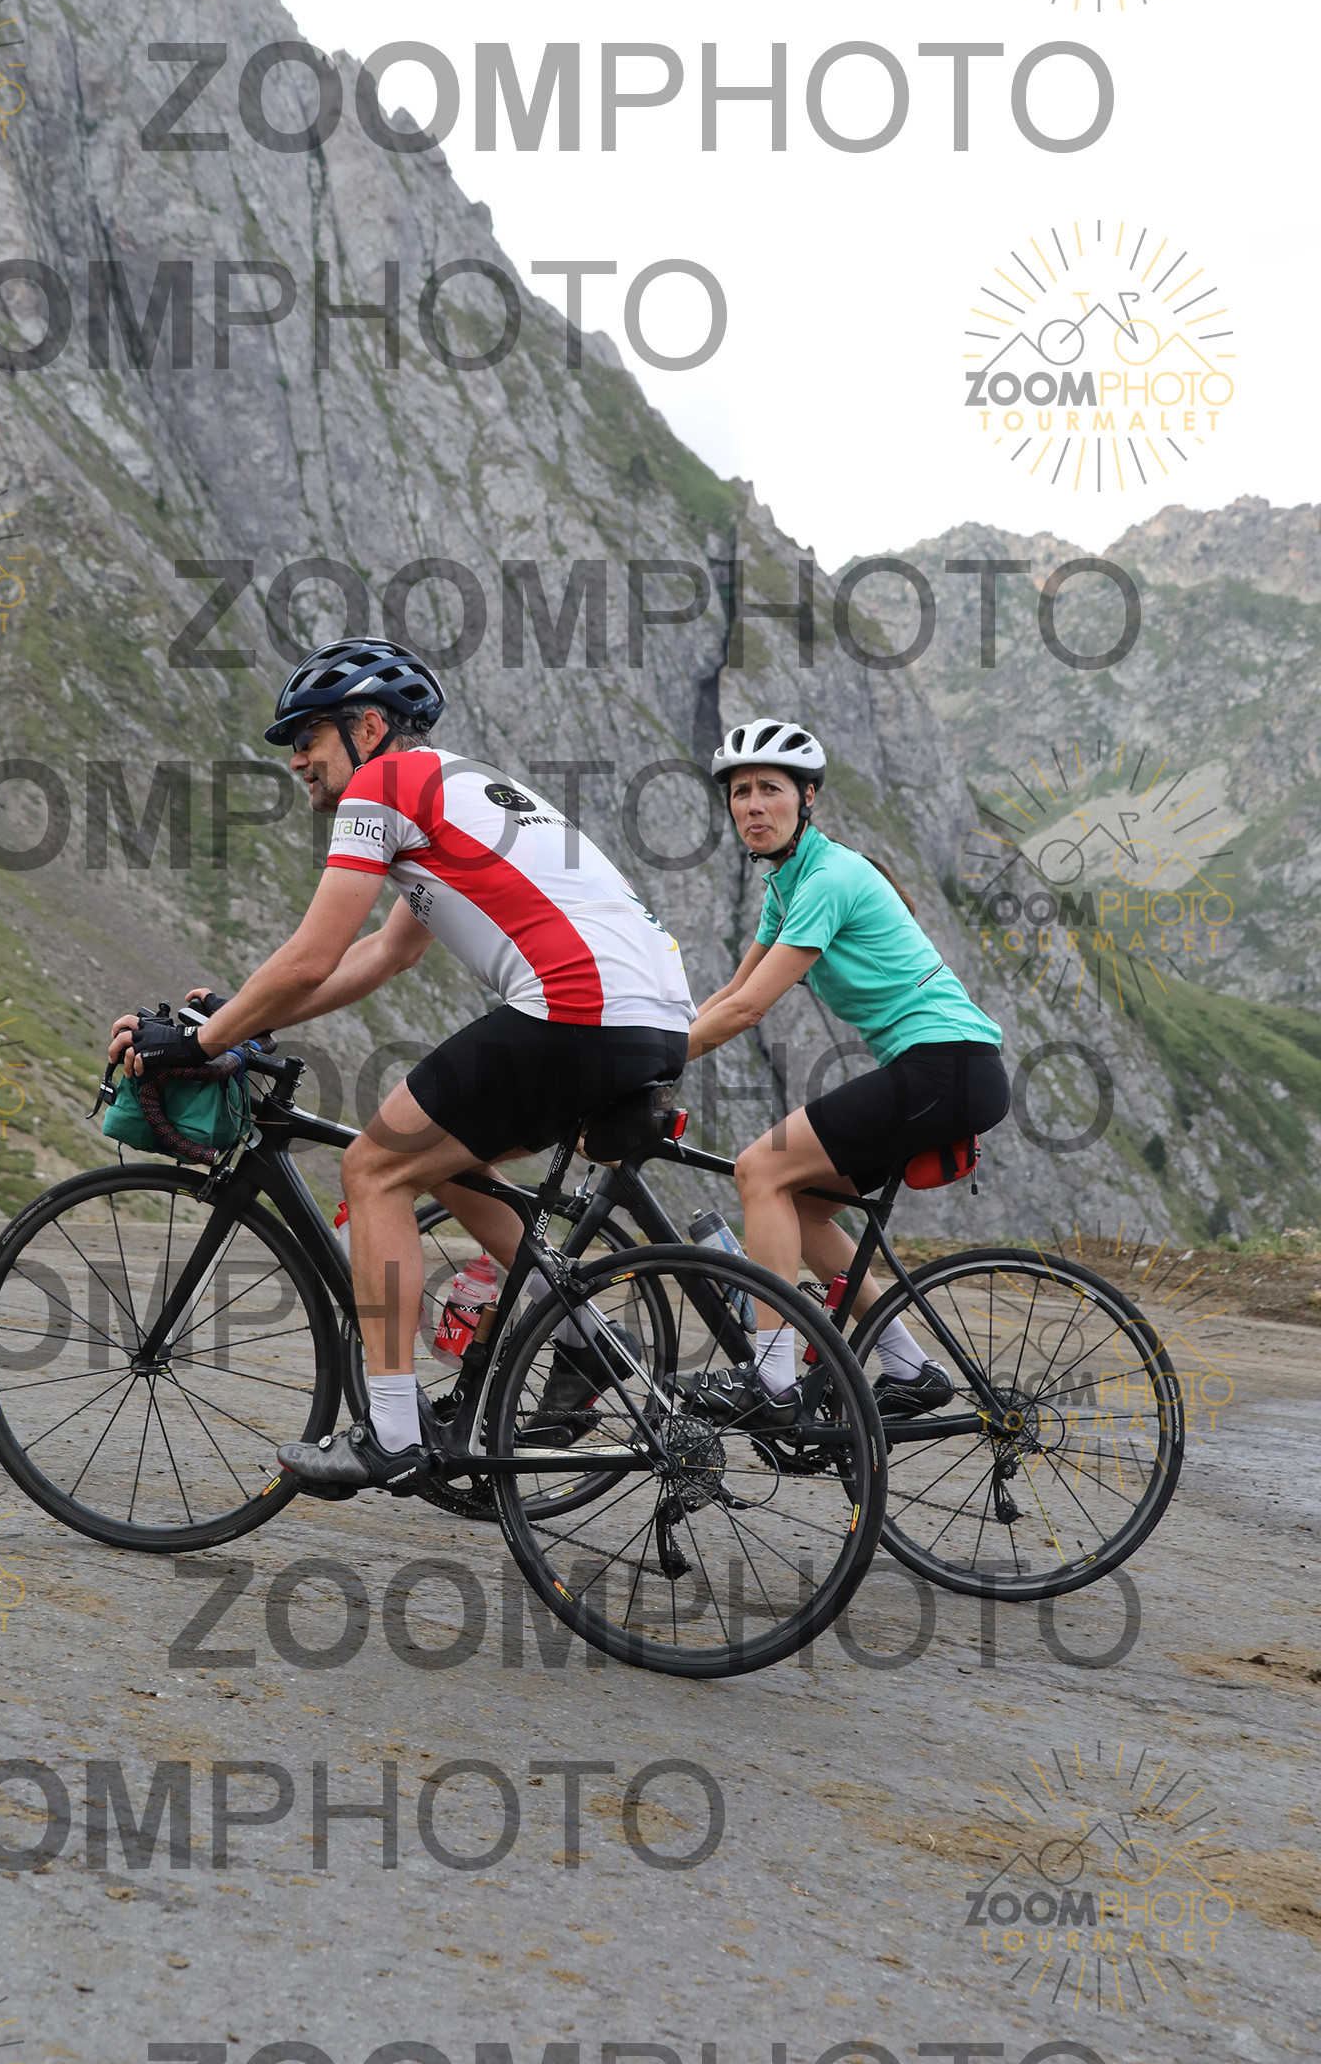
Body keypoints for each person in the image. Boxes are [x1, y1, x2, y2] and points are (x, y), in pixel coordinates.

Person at [109, 637, 695, 1497]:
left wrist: (200, 1044)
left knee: (374, 1168)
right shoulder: (458, 787)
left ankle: (390, 1435)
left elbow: (312, 955)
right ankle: (587, 1341)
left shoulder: (382, 786)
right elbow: (385, 954)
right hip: (655, 1020)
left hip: (576, 1006)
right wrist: (250, 1022)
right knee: (441, 1160)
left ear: (369, 727)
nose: (297, 759)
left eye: (307, 736)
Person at [680, 718, 1009, 1437]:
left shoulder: (828, 879)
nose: (753, 805)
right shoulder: (787, 885)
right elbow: (729, 994)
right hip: (941, 1068)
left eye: (770, 789)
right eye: (740, 792)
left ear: (808, 799)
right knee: (800, 1205)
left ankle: (771, 1378)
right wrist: (649, 1043)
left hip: (947, 1065)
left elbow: (748, 1011)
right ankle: (909, 1368)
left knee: (761, 1169)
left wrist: (657, 1060)